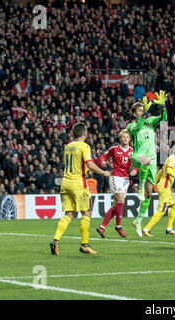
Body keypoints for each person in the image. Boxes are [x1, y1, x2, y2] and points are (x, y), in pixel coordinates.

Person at [50, 122, 111, 255]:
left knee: (69, 214)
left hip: (65, 182)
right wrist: (103, 172)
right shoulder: (85, 146)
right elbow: (89, 163)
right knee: (86, 213)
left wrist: (89, 169)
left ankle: (56, 240)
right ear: (85, 133)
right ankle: (85, 245)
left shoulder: (68, 146)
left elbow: (78, 164)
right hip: (78, 184)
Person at [126, 91, 168, 237]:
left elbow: (164, 118)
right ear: (134, 114)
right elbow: (138, 126)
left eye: (143, 109)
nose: (142, 111)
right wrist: (144, 115)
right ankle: (140, 188)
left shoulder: (150, 121)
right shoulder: (131, 126)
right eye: (139, 110)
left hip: (151, 160)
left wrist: (162, 106)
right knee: (145, 160)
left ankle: (138, 221)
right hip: (138, 156)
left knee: (149, 195)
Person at [96, 129, 137, 238]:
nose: (125, 139)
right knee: (121, 200)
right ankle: (118, 226)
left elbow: (139, 163)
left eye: (127, 137)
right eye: (123, 137)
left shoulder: (133, 151)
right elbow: (103, 156)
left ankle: (102, 227)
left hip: (125, 180)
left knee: (116, 206)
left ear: (129, 139)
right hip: (115, 177)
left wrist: (135, 170)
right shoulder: (114, 149)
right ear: (120, 138)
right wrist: (103, 162)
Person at [142, 143, 175, 237]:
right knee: (162, 210)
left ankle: (169, 228)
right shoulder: (172, 159)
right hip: (164, 187)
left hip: (165, 187)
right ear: (173, 150)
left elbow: (161, 171)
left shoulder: (172, 159)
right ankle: (146, 229)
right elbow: (169, 171)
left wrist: (155, 183)